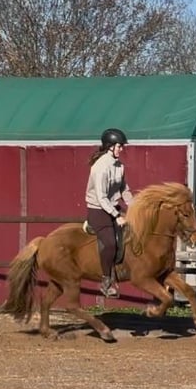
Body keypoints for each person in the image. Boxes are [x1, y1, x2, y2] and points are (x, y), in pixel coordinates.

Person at [85, 127, 134, 297]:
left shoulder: (119, 166)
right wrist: (116, 216)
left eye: (122, 146)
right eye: (120, 146)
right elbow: (101, 197)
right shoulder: (100, 167)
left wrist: (134, 207)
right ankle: (106, 281)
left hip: (112, 207)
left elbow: (124, 189)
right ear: (110, 146)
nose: (122, 149)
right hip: (98, 211)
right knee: (111, 243)